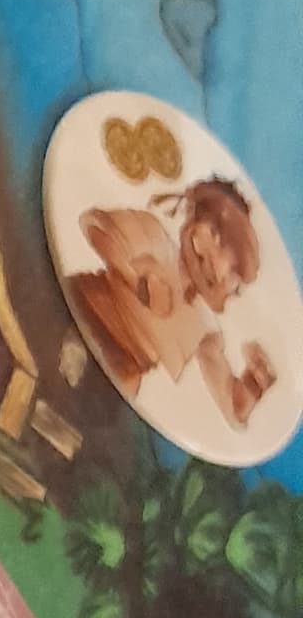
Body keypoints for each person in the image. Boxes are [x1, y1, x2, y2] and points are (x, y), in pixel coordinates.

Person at [68, 173, 274, 428]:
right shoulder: (153, 236)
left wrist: (254, 382)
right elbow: (92, 225)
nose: (214, 262)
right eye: (213, 233)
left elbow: (232, 406)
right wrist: (137, 281)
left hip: (123, 369)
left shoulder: (203, 327)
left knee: (86, 424)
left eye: (232, 272)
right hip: (84, 309)